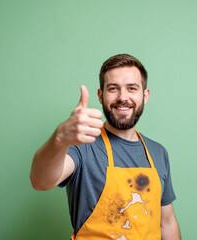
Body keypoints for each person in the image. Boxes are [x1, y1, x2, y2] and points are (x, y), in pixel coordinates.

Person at [30, 54, 181, 240]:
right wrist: (60, 137)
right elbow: (40, 181)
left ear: (145, 95)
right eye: (113, 88)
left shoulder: (158, 152)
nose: (123, 97)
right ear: (101, 96)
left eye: (132, 88)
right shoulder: (82, 146)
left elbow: (166, 223)